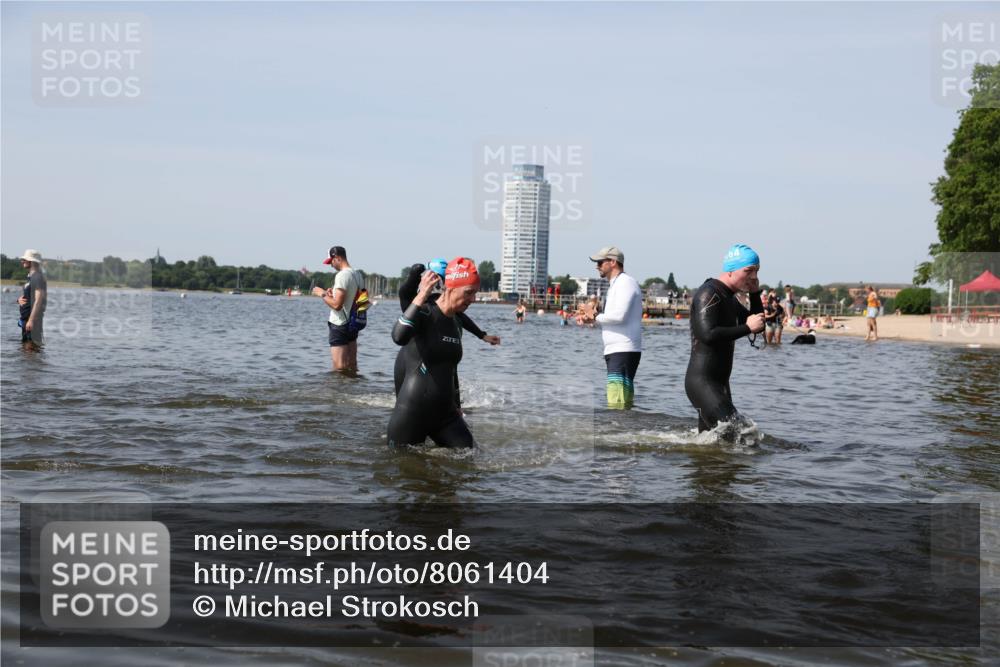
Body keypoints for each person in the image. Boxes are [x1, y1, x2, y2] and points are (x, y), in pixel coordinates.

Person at [388, 258, 480, 448]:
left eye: (475, 293)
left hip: (446, 415)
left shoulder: (455, 322)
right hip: (412, 413)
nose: (473, 299)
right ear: (451, 288)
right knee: (404, 471)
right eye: (469, 293)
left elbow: (452, 370)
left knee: (470, 461)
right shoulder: (425, 313)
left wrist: (458, 405)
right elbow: (398, 336)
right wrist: (421, 295)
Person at [685, 243, 766, 432]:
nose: (754, 276)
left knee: (711, 447)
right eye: (749, 271)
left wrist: (754, 293)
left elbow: (759, 325)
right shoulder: (709, 293)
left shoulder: (729, 298)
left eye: (757, 271)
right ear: (731, 270)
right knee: (742, 435)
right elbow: (707, 334)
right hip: (702, 383)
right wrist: (747, 327)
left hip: (720, 384)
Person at [395, 260, 499, 399]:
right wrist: (414, 275)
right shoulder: (421, 305)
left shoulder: (450, 309)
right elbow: (404, 295)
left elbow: (462, 317)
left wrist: (482, 335)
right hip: (411, 359)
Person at [576, 246, 642, 409]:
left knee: (616, 401)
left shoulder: (625, 283)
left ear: (613, 262)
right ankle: (622, 432)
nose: (596, 266)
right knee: (619, 401)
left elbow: (619, 316)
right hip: (617, 350)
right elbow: (613, 317)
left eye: (600, 262)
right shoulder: (616, 284)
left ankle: (618, 432)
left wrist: (594, 315)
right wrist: (591, 320)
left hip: (623, 349)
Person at [312, 245, 363, 372]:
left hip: (340, 324)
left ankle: (338, 391)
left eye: (331, 262)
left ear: (338, 258)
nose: (331, 265)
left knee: (339, 367)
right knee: (352, 364)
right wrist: (333, 294)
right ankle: (353, 388)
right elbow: (359, 300)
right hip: (353, 323)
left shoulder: (342, 275)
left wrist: (322, 293)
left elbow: (337, 305)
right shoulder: (358, 274)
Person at [16, 249, 47, 349]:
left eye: (25, 259)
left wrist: (31, 320)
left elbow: (39, 300)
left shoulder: (37, 277)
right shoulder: (31, 277)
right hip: (26, 320)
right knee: (26, 354)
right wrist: (19, 300)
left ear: (32, 261)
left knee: (31, 352)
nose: (22, 261)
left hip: (33, 321)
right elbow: (30, 297)